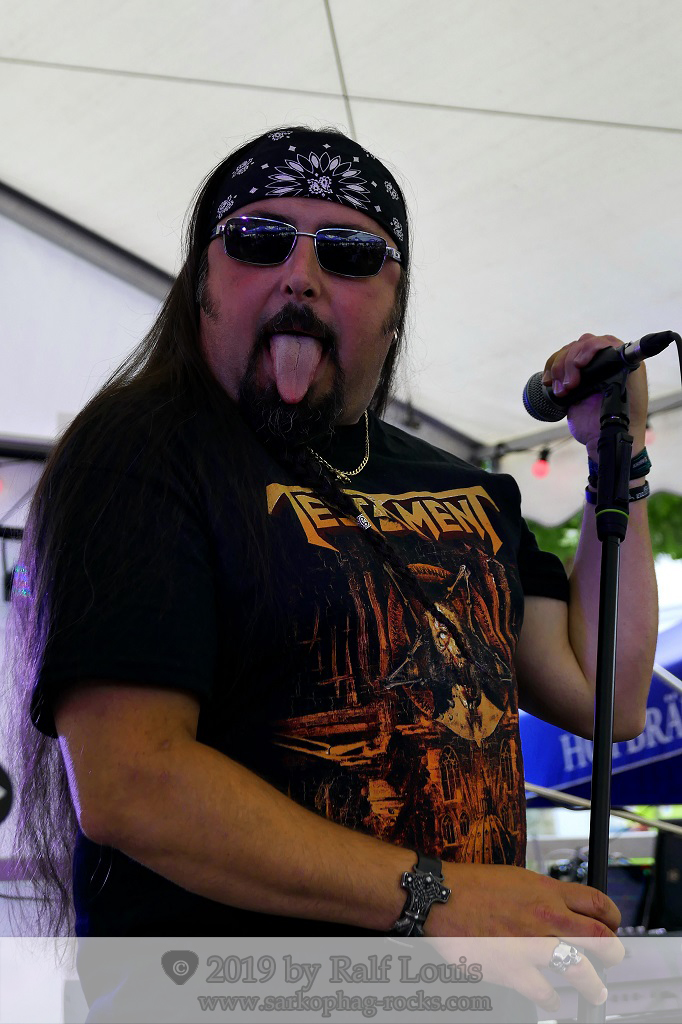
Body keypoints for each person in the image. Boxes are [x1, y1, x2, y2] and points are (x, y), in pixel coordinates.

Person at [6, 125, 657, 1018]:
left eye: (349, 253)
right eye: (259, 240)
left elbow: (607, 697)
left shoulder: (465, 489)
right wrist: (440, 898)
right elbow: (132, 783)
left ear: (395, 305)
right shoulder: (142, 454)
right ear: (202, 285)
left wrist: (617, 460)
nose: (300, 276)